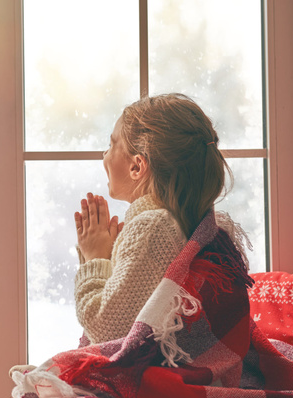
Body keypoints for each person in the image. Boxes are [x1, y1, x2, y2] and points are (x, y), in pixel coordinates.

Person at [73, 93, 242, 345]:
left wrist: (95, 258)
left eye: (111, 144)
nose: (105, 155)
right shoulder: (170, 221)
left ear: (137, 167)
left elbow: (106, 329)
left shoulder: (151, 228)